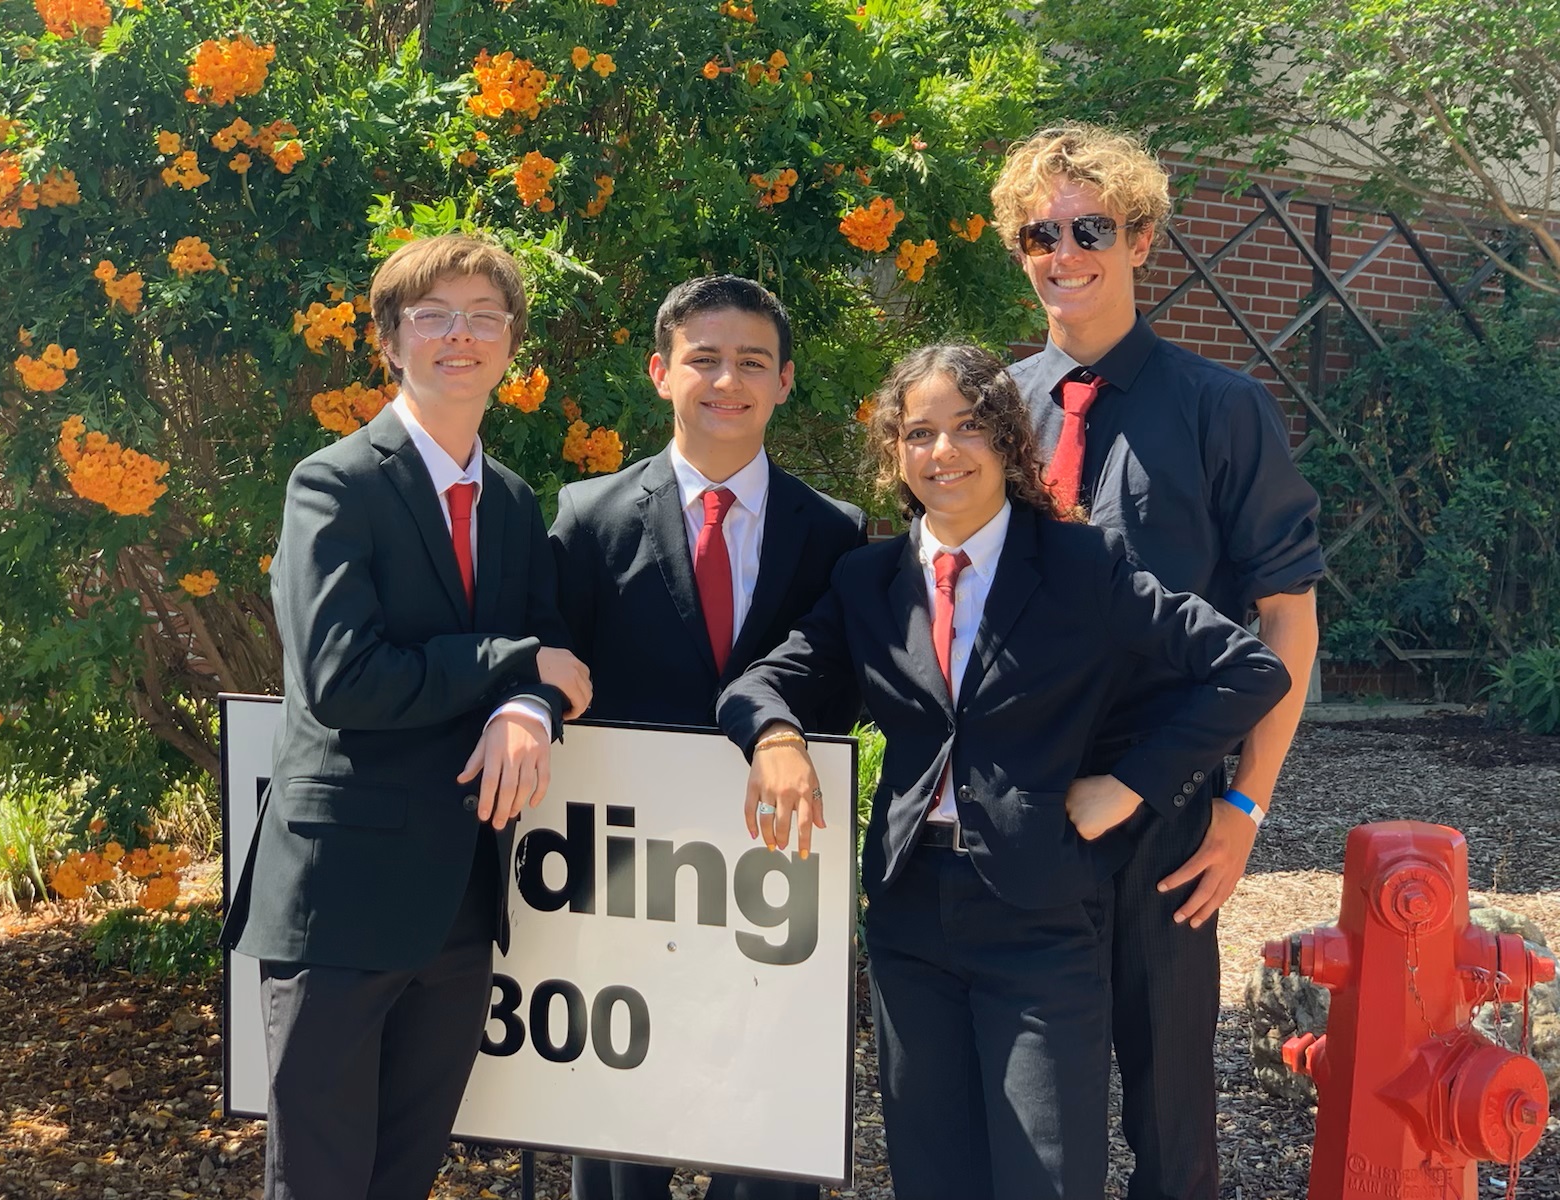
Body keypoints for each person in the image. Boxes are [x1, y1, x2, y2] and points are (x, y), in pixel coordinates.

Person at [716, 343, 1290, 1200]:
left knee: (1045, 1176)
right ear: (895, 452)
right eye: (919, 433)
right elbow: (762, 682)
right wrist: (775, 739)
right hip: (910, 914)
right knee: (933, 1175)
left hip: (1039, 917)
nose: (943, 451)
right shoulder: (869, 579)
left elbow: (1249, 669)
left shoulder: (1079, 564)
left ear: (1010, 441)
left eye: (968, 427)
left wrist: (1132, 784)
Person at [221, 233, 592, 1200]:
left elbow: (553, 652)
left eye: (483, 316)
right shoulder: (334, 484)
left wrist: (528, 706)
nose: (459, 335)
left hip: (460, 899)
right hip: (341, 898)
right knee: (321, 1184)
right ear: (390, 340)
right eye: (433, 316)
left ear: (511, 344)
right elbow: (344, 678)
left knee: (404, 1179)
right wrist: (513, 664)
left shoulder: (511, 503)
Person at [992, 123, 1324, 1200]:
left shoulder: (1221, 409)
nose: (1065, 253)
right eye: (1040, 234)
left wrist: (1245, 810)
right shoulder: (995, 411)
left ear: (1141, 239)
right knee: (1029, 1100)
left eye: (1091, 229)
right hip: (1026, 795)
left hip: (1168, 803)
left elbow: (1287, 619)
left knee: (1169, 1115)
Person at [550, 274, 865, 1200]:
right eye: (705, 359)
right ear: (661, 373)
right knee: (622, 1133)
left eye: (753, 362)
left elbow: (840, 691)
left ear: (785, 381)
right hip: (625, 878)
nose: (728, 381)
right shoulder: (589, 519)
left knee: (767, 1128)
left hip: (773, 872)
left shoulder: (835, 534)